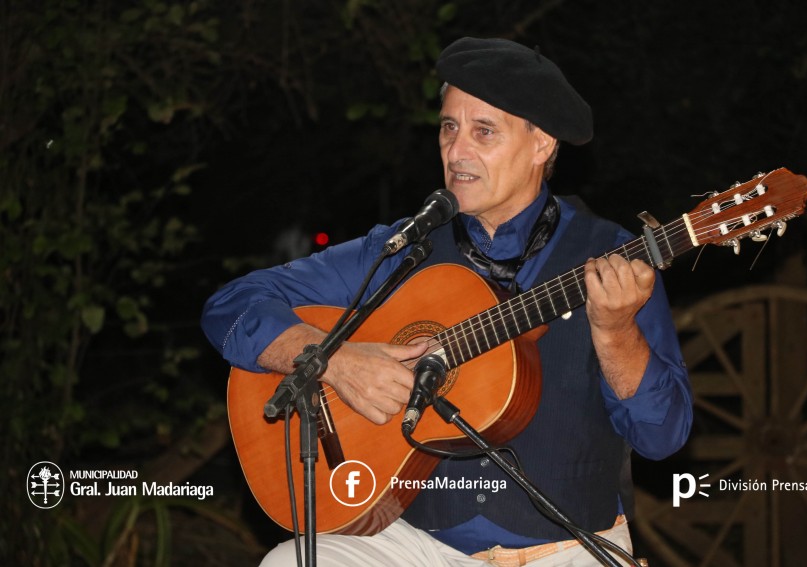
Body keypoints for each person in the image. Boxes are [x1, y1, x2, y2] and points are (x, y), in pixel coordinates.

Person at [202, 37, 693, 566]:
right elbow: (232, 305)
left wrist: (617, 332)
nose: (457, 151)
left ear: (542, 145)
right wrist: (333, 359)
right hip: (418, 544)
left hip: (568, 547)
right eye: (449, 127)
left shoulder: (611, 258)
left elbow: (662, 436)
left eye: (484, 131)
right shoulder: (403, 249)